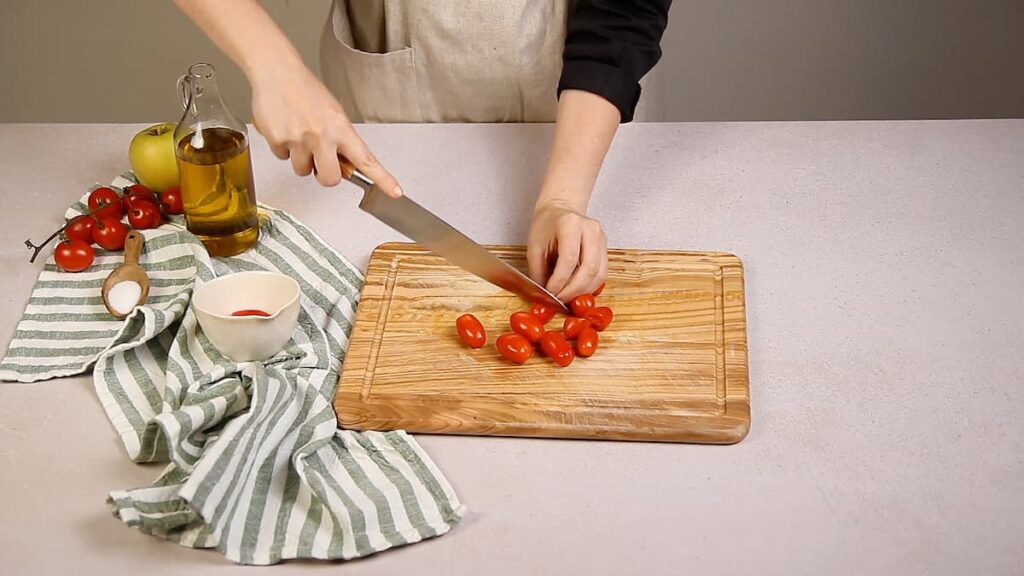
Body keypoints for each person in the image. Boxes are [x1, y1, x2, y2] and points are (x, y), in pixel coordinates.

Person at [174, 0, 671, 301]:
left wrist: (562, 200)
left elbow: (623, 13)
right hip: (379, 115)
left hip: (581, 117)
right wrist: (273, 67)